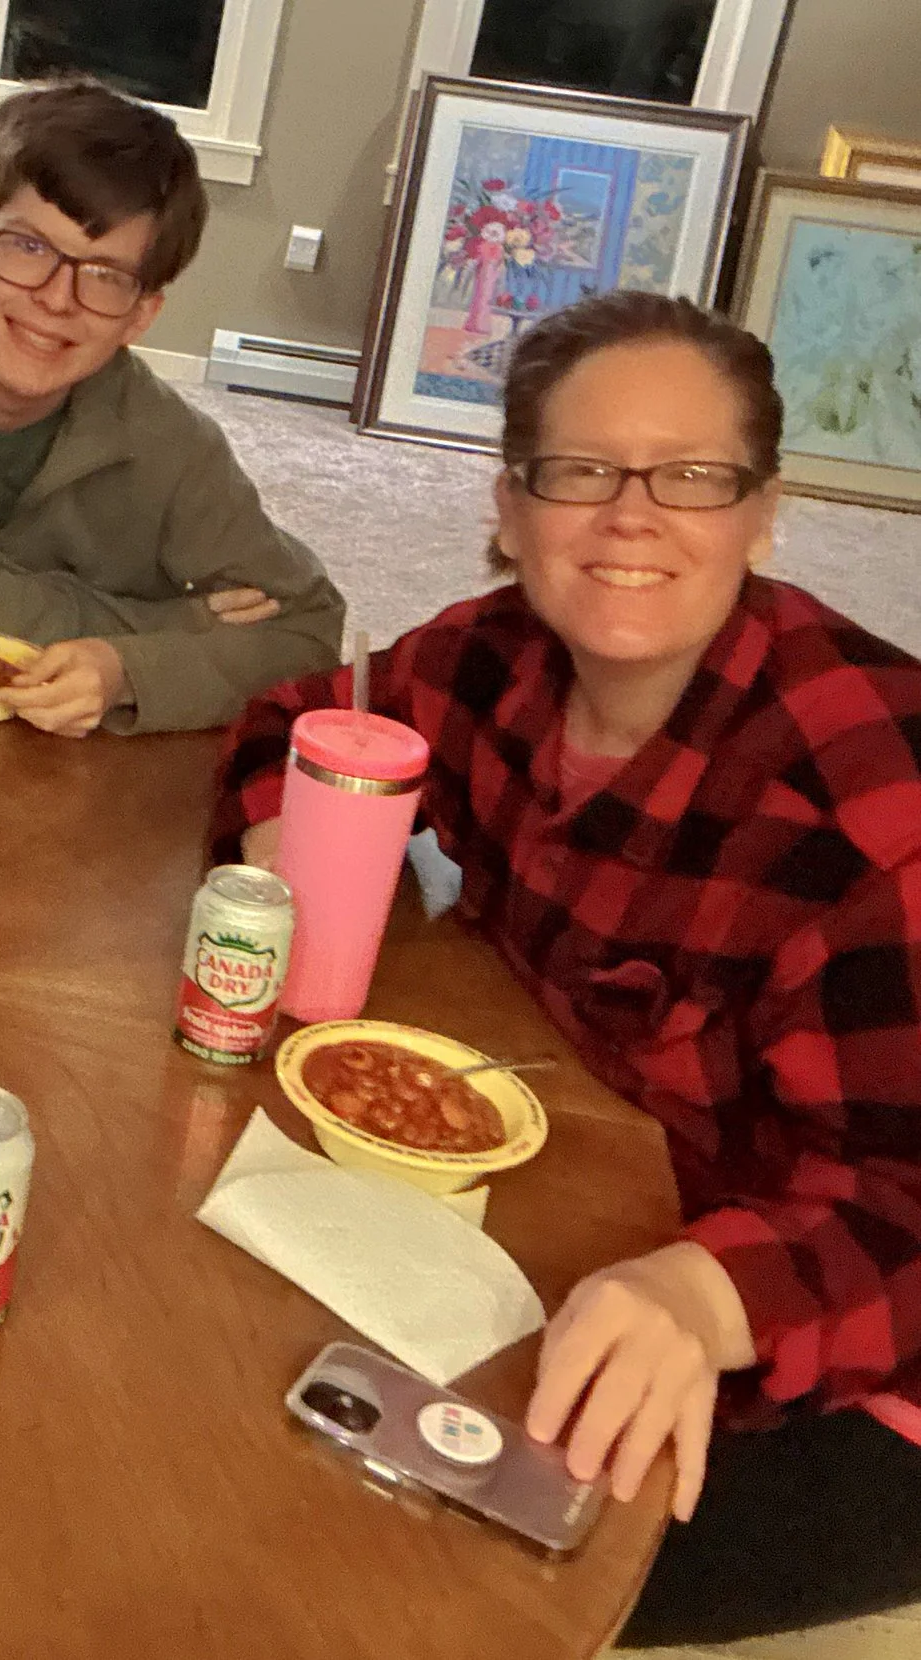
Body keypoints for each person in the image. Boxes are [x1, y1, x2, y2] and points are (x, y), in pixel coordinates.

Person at [210, 291, 921, 1647]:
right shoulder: (495, 659)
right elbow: (307, 718)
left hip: (852, 1360)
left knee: (384, 1568)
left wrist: (708, 1297)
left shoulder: (874, 798)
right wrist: (291, 848)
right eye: (581, 471)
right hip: (601, 1196)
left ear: (762, 514)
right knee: (228, 1362)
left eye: (694, 478)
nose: (630, 515)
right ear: (512, 505)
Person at [0, 77, 344, 738]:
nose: (55, 297)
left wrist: (126, 670)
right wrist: (175, 628)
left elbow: (308, 629)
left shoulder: (173, 447)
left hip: (79, 754)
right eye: (29, 246)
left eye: (105, 275)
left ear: (143, 315)